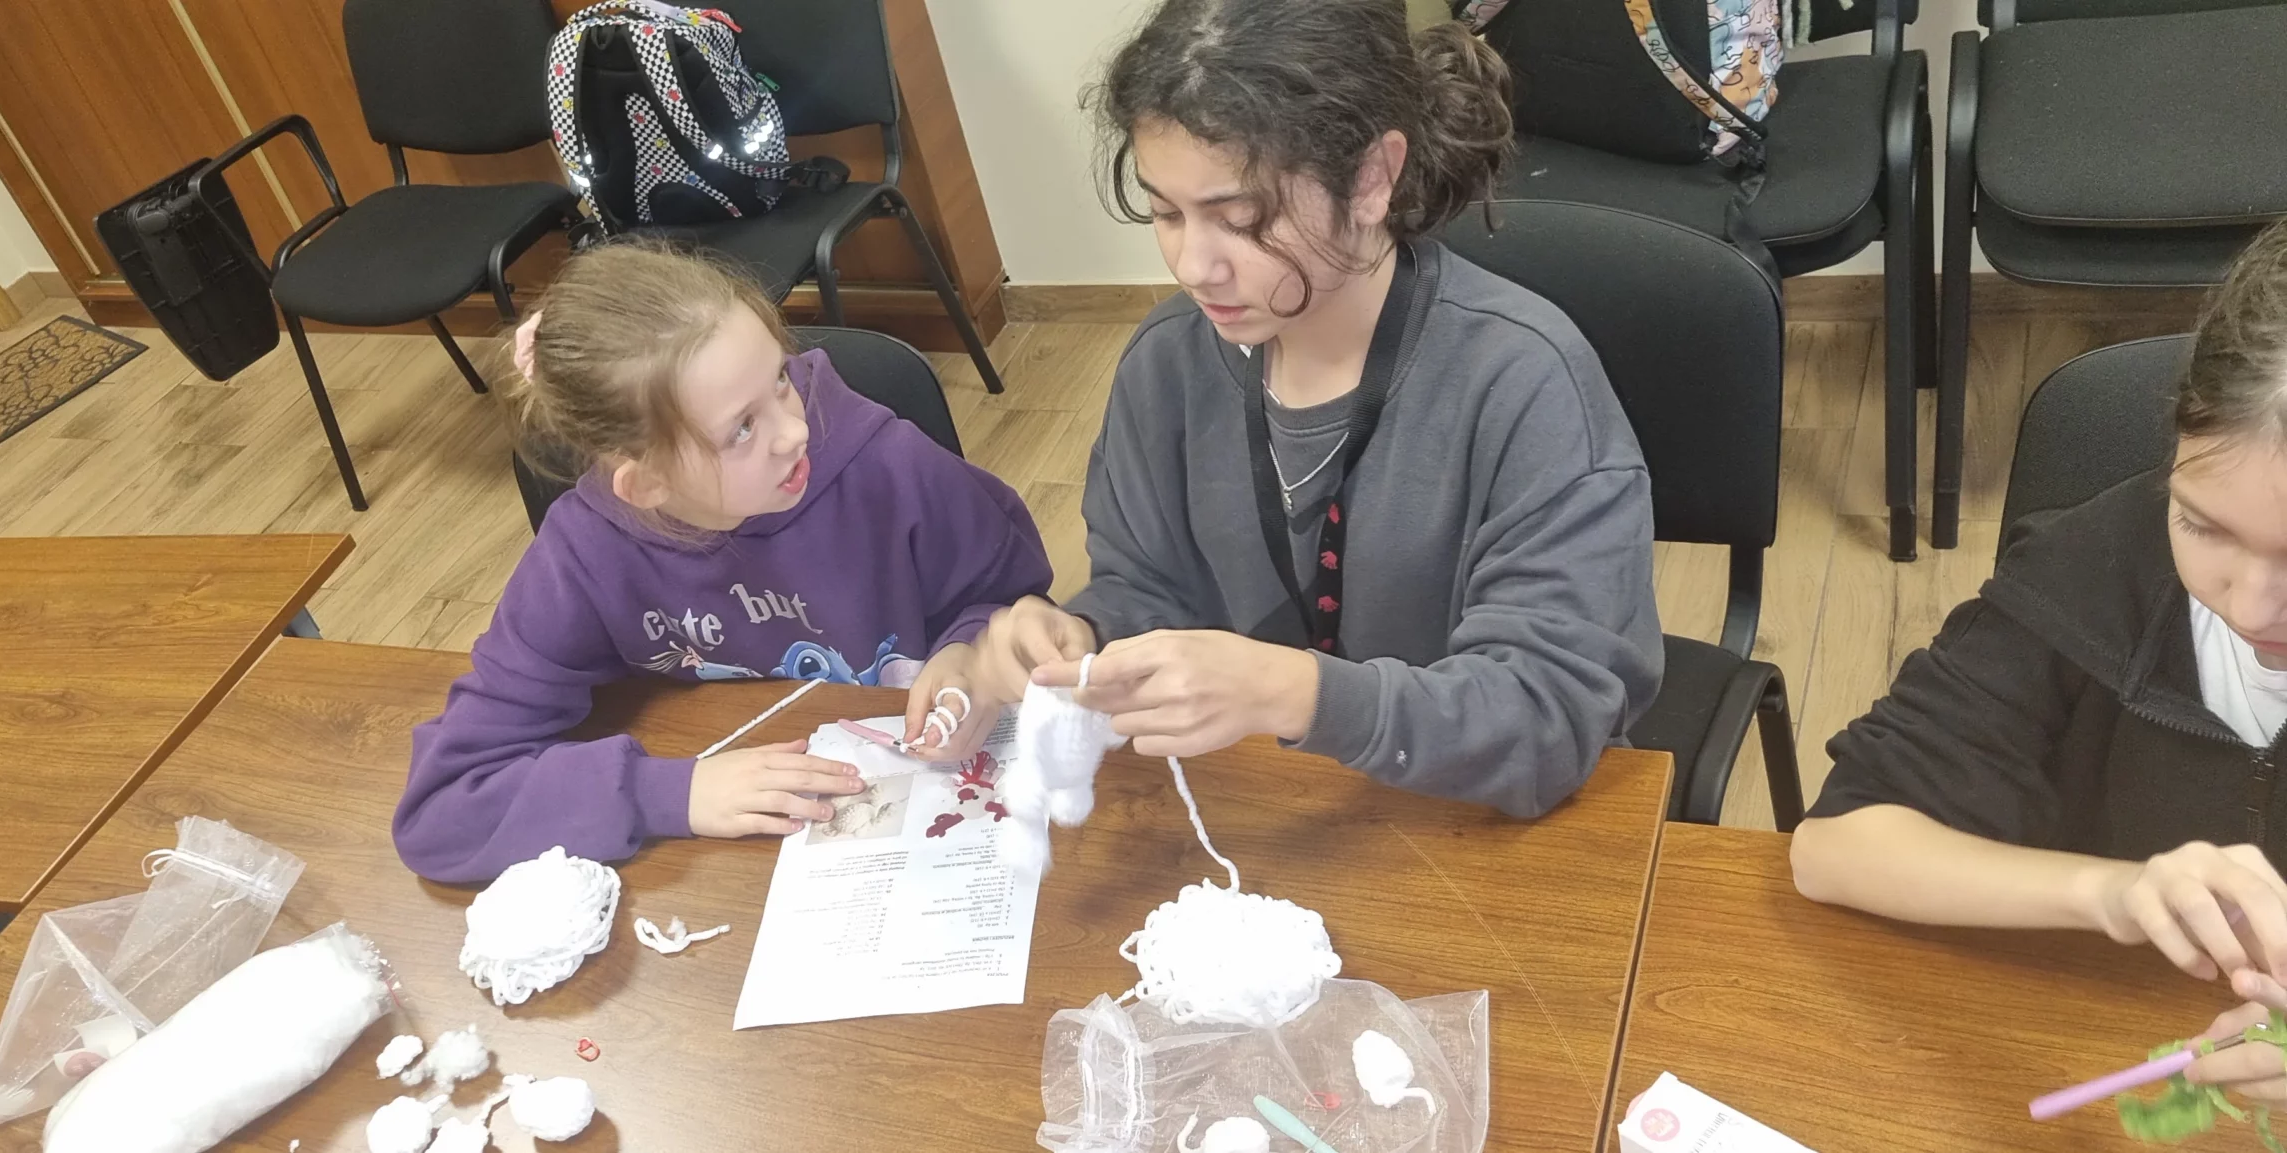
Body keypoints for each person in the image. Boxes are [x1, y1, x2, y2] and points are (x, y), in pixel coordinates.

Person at [969, 0, 1662, 817]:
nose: (1193, 265)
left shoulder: (1523, 382)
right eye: (1165, 212)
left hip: (1473, 820)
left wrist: (1298, 692)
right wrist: (1084, 636)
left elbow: (1548, 721)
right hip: (1265, 810)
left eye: (1241, 220)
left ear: (1371, 179)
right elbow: (1149, 587)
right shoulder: (1167, 364)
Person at [393, 242, 1052, 884]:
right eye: (742, 428)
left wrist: (972, 648)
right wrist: (670, 792)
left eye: (781, 380)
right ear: (647, 485)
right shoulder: (583, 556)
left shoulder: (893, 468)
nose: (795, 431)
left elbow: (1015, 599)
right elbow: (443, 806)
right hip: (734, 872)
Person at [1792, 219, 2287, 985]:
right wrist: (2114, 892)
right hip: (2107, 1013)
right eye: (2202, 524)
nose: (2251, 607)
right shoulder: (2089, 567)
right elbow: (1838, 843)